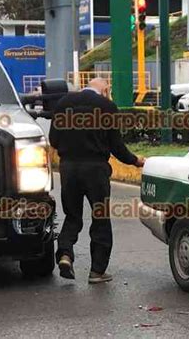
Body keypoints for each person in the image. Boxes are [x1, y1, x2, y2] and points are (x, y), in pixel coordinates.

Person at [49, 78, 145, 284]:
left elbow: (54, 140)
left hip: (69, 168)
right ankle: (97, 271)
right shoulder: (107, 107)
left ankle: (65, 254)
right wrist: (136, 161)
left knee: (72, 216)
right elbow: (116, 146)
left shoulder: (63, 103)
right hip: (96, 170)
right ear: (105, 89)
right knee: (100, 217)